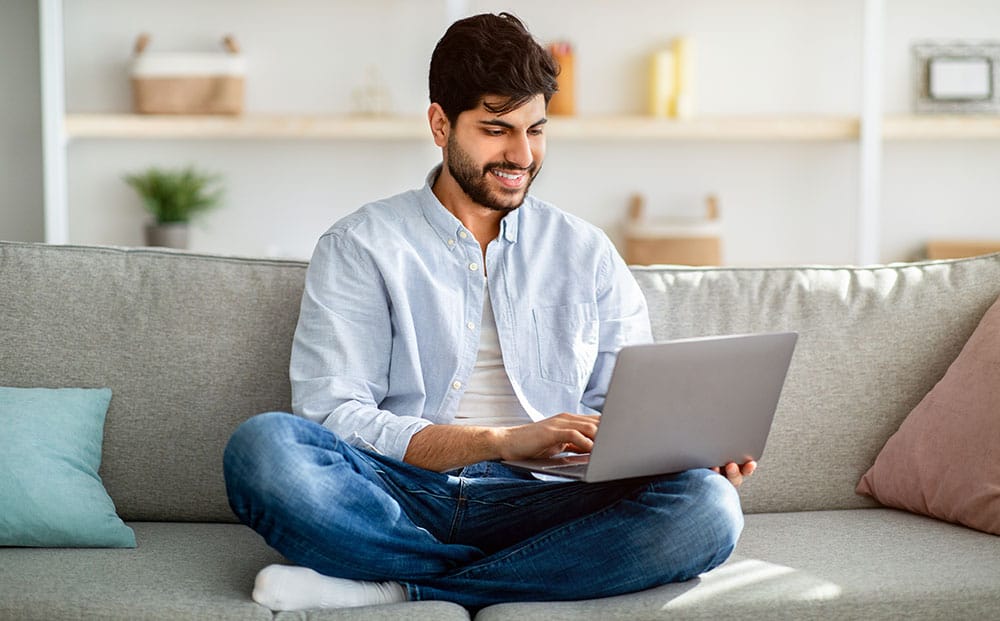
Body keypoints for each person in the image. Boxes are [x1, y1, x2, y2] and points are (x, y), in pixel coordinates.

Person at [223, 12, 754, 612]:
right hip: (400, 495)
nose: (521, 155)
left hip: (546, 502)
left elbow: (623, 410)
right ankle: (510, 574)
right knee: (264, 449)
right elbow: (335, 415)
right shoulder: (361, 245)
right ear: (439, 124)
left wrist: (680, 450)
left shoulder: (586, 252)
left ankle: (401, 585)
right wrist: (501, 441)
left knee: (708, 506)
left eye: (536, 130)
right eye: (497, 129)